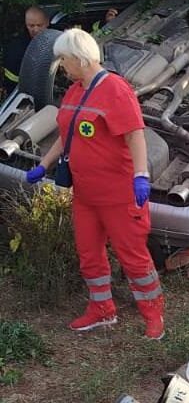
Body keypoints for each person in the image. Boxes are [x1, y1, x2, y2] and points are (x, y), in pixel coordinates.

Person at [25, 28, 164, 339]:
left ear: (79, 58)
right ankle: (102, 310)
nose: (61, 65)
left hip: (118, 195)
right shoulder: (75, 91)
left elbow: (134, 134)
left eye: (64, 59)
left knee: (133, 255)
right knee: (88, 252)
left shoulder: (115, 89)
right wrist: (44, 165)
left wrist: (141, 176)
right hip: (86, 194)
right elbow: (67, 134)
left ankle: (153, 315)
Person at [2, 6, 50, 94]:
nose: (35, 29)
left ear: (47, 23)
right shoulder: (16, 48)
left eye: (39, 25)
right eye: (31, 25)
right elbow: (12, 79)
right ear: (26, 24)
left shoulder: (56, 40)